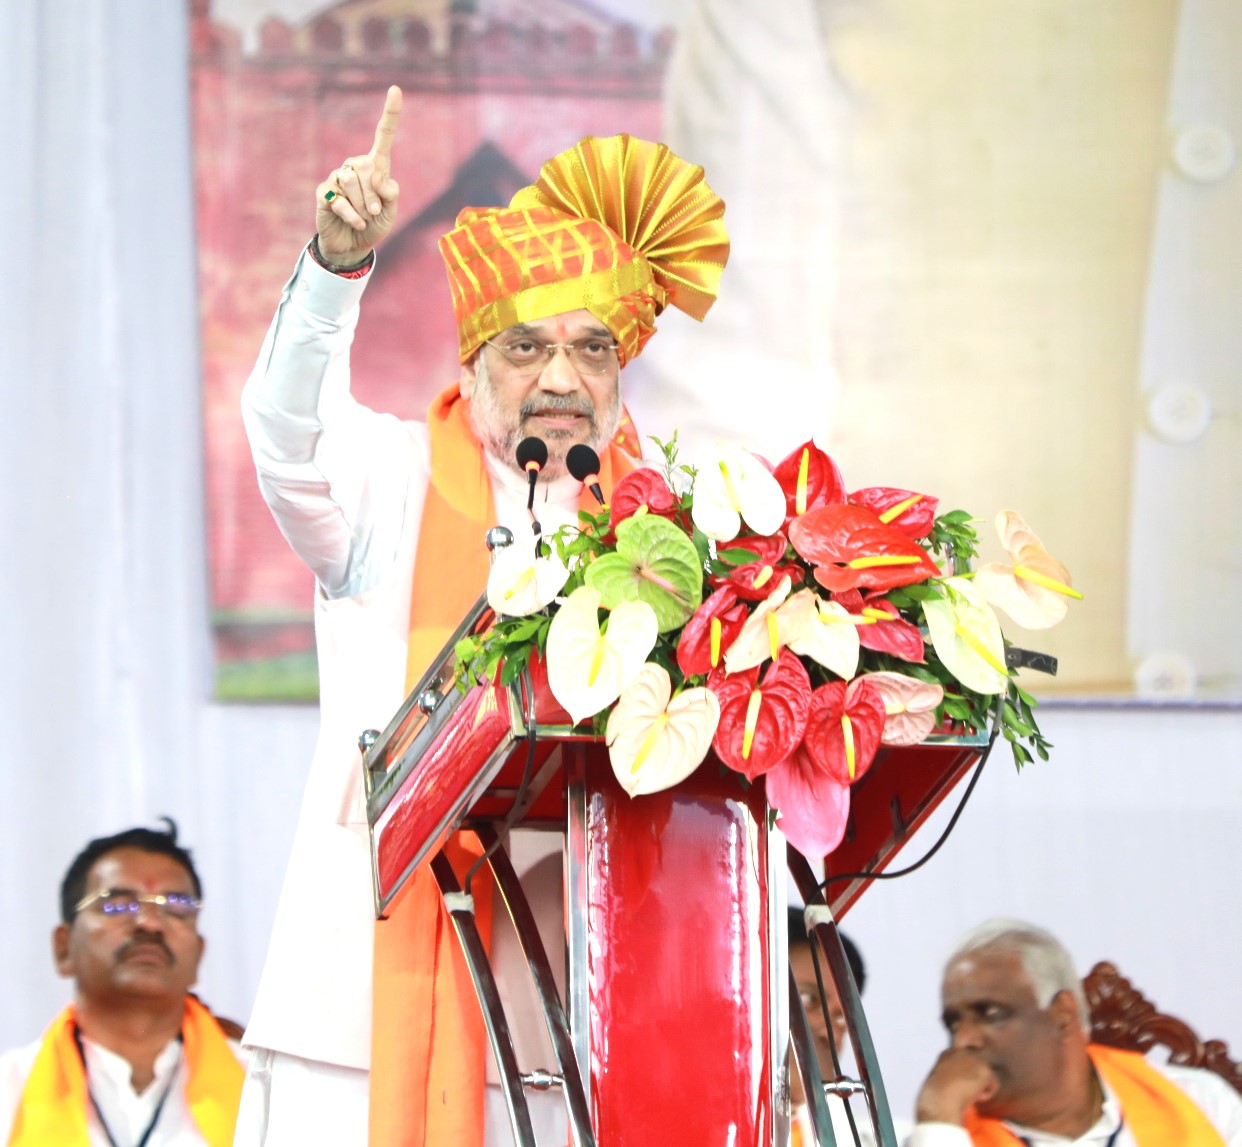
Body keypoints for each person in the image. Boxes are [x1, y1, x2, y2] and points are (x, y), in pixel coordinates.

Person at [237, 85, 729, 1147]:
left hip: (586, 1033)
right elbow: (284, 429)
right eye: (526, 348)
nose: (562, 376)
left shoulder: (681, 535)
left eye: (593, 349)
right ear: (472, 364)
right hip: (360, 1022)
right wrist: (332, 270)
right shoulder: (391, 479)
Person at [0, 822, 245, 1146]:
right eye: (118, 904)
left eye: (176, 907)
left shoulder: (267, 1091)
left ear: (199, 953)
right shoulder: (10, 1089)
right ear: (63, 947)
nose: (150, 922)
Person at [909, 918, 1242, 1146]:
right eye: (953, 1022)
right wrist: (937, 1122)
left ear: (1063, 1014)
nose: (964, 1040)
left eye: (991, 1013)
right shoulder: (950, 1132)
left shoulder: (1200, 1100)